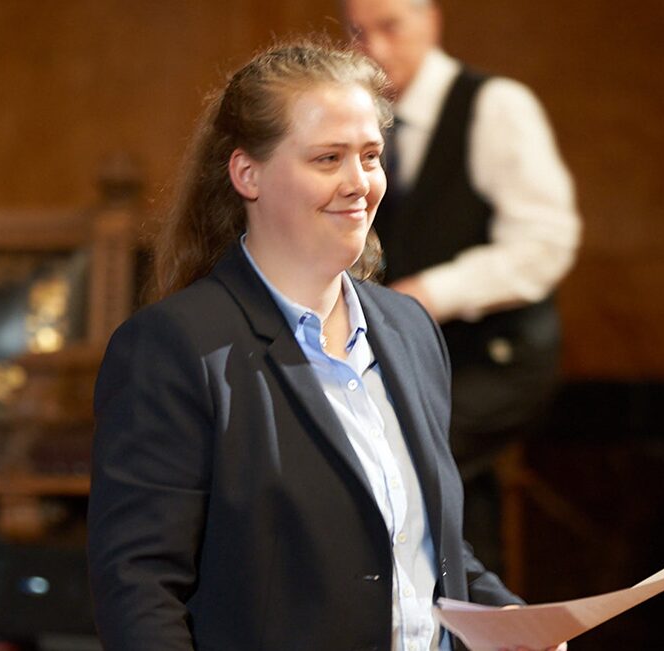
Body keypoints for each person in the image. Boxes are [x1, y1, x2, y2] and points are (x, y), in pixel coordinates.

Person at [87, 42, 563, 650]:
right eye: (327, 158)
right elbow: (139, 591)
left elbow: (425, 550)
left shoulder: (411, 330)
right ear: (246, 174)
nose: (359, 183)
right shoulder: (173, 348)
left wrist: (517, 624)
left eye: (370, 156)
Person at [343, 0, 582, 573]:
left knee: (404, 460)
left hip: (496, 355)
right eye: (356, 32)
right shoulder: (357, 120)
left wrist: (426, 294)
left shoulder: (496, 106)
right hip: (411, 359)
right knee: (452, 494)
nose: (372, 47)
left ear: (431, 22)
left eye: (390, 27)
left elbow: (545, 243)